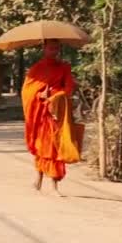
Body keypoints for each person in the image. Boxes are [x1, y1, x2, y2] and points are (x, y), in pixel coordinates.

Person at [21, 39, 82, 196]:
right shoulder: (36, 69)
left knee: (55, 149)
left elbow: (68, 88)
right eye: (50, 48)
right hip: (41, 115)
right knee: (42, 147)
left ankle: (54, 186)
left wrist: (55, 96)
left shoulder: (64, 68)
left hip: (57, 114)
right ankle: (38, 179)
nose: (53, 51)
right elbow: (27, 92)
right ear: (44, 48)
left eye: (56, 48)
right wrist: (40, 95)